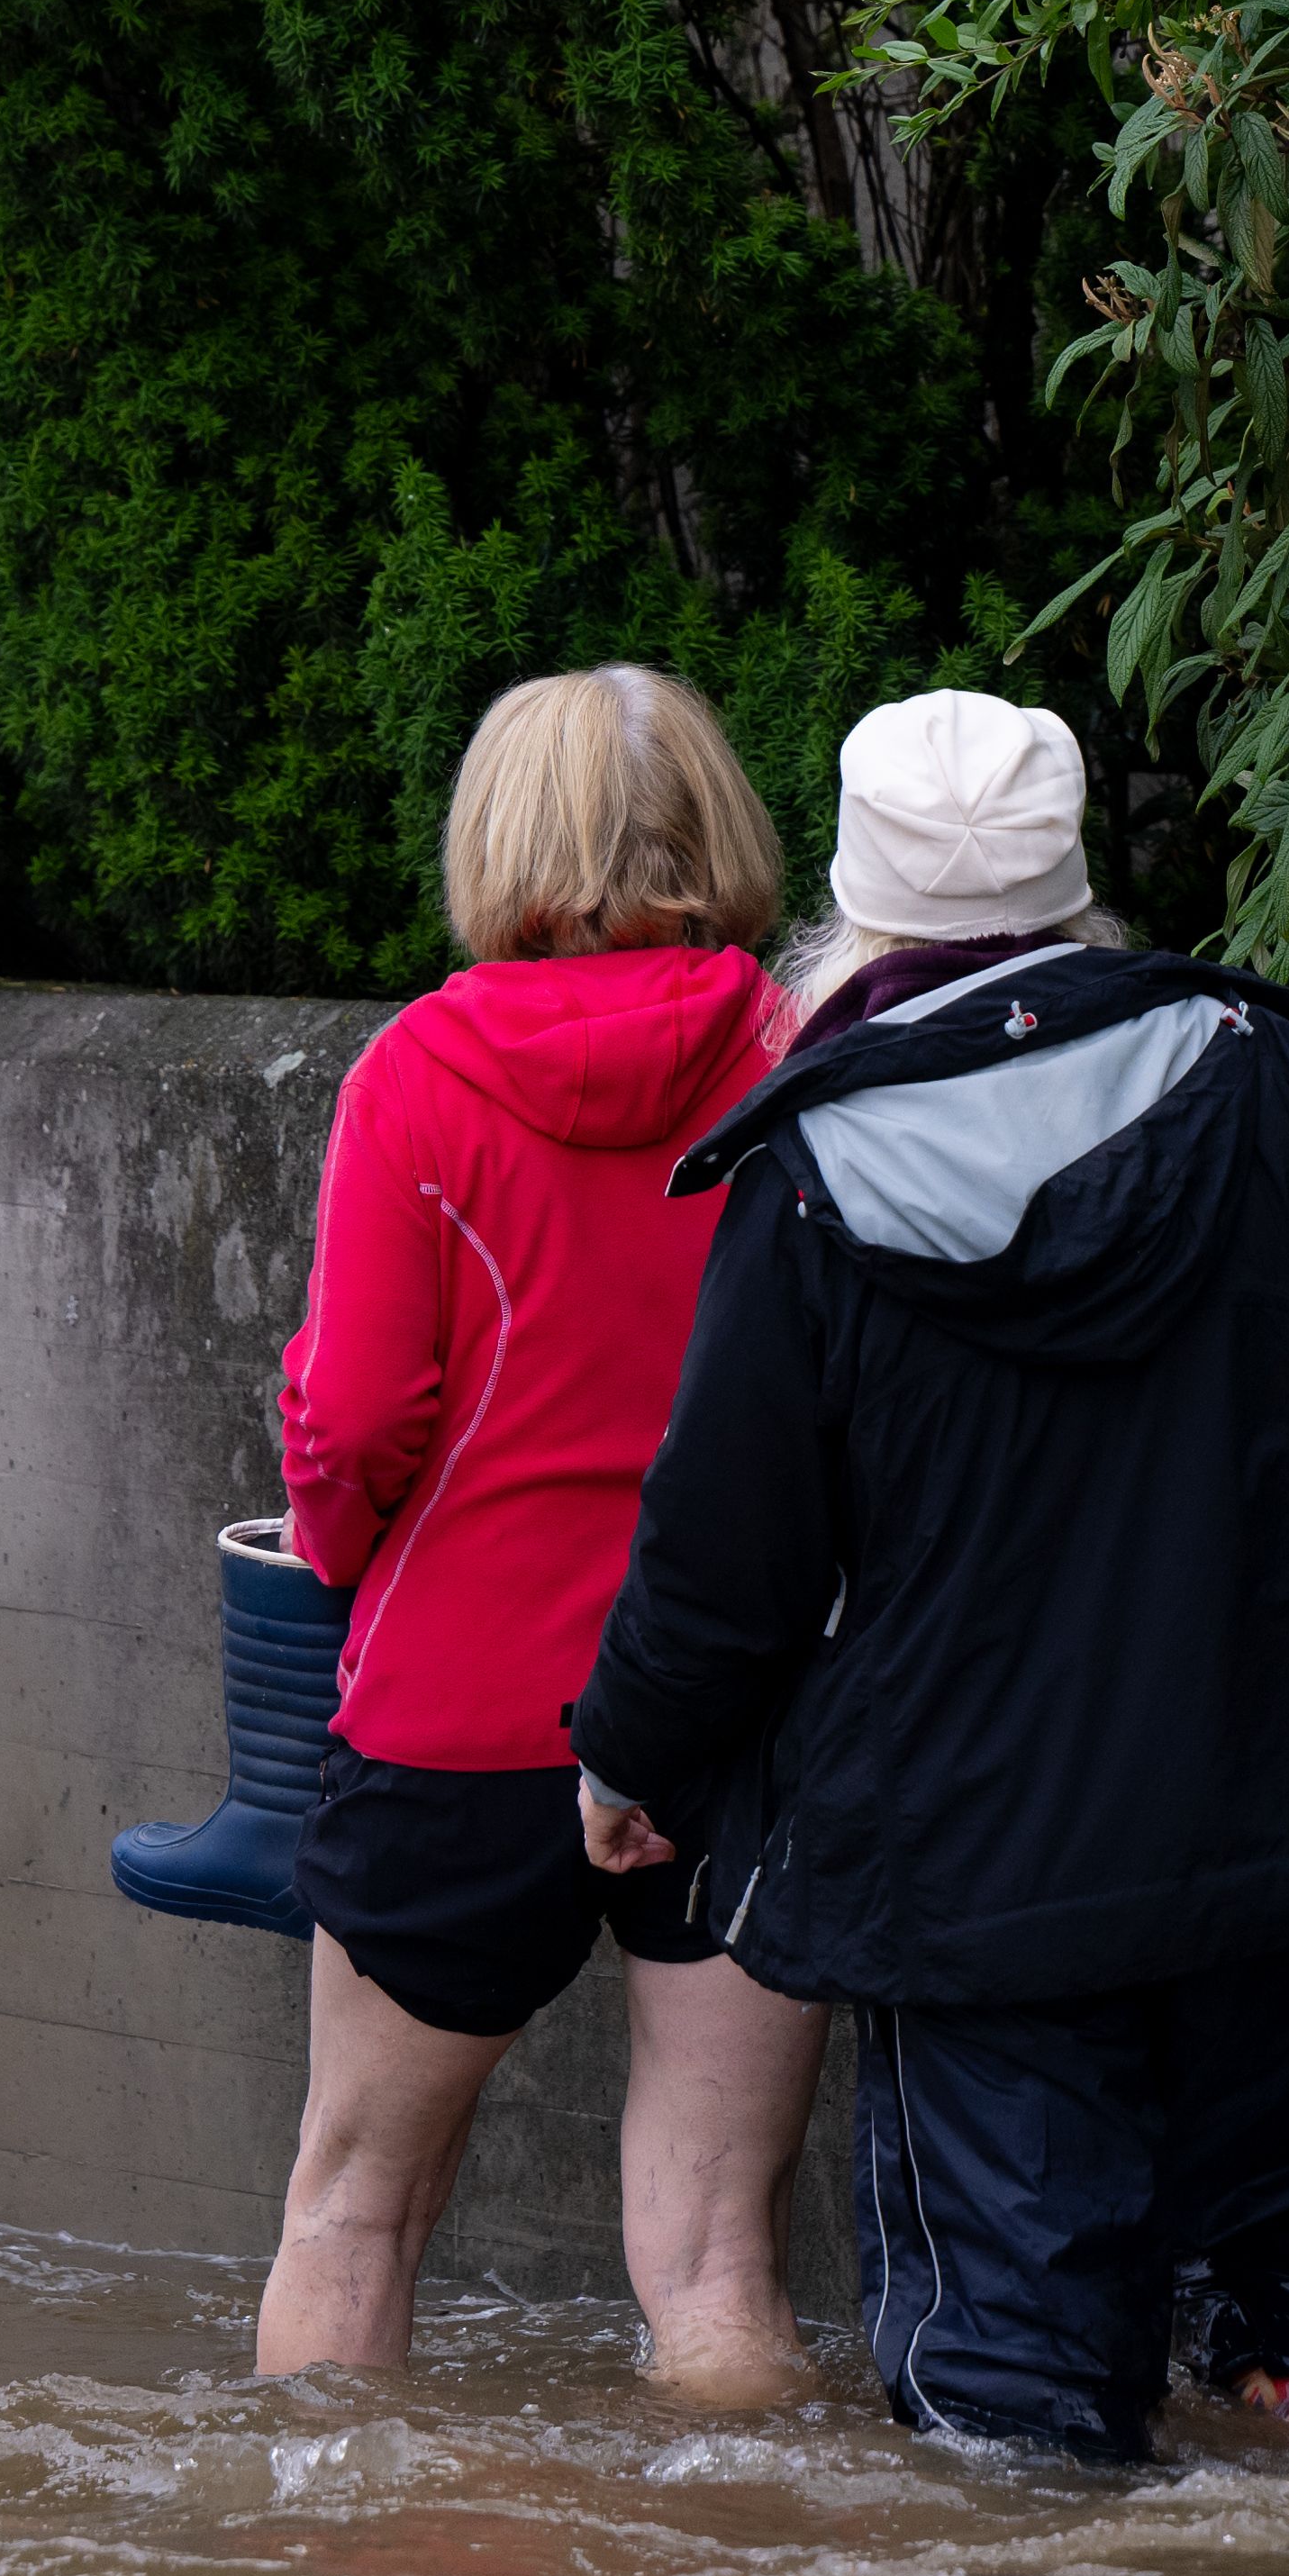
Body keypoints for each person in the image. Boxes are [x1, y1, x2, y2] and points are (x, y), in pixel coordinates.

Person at [568, 687, 1289, 2463]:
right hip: (1274, 1810)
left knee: (1017, 2382)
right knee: (1262, 2216)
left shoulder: (815, 1173)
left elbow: (724, 1558)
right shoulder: (1252, 1073)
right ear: (1077, 891)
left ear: (857, 908)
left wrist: (630, 1757)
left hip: (984, 1871)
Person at [252, 663, 828, 2404]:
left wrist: (341, 1560)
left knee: (354, 2211)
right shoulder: (802, 1059)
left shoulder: (416, 1072)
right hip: (737, 1711)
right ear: (714, 831)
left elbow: (351, 1420)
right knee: (719, 2257)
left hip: (458, 1711)